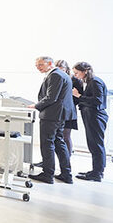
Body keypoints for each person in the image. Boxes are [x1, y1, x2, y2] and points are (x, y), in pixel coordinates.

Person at [28, 56, 75, 184]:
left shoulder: (56, 75)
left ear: (49, 63)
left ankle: (47, 174)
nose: (38, 67)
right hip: (58, 115)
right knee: (59, 143)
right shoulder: (61, 74)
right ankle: (66, 174)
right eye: (36, 65)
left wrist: (36, 105)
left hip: (52, 115)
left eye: (40, 65)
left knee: (47, 144)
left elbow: (51, 97)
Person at [73, 62, 109, 182]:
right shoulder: (90, 82)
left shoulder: (95, 81)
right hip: (91, 116)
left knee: (96, 145)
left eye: (77, 73)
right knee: (93, 144)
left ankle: (97, 173)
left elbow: (97, 101)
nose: (75, 75)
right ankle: (96, 170)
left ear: (85, 71)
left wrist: (79, 96)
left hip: (96, 116)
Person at [55, 59, 83, 156]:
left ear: (67, 70)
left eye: (62, 70)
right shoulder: (55, 79)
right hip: (57, 111)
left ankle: (67, 159)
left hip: (68, 111)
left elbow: (79, 98)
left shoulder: (75, 80)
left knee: (66, 136)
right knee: (55, 137)